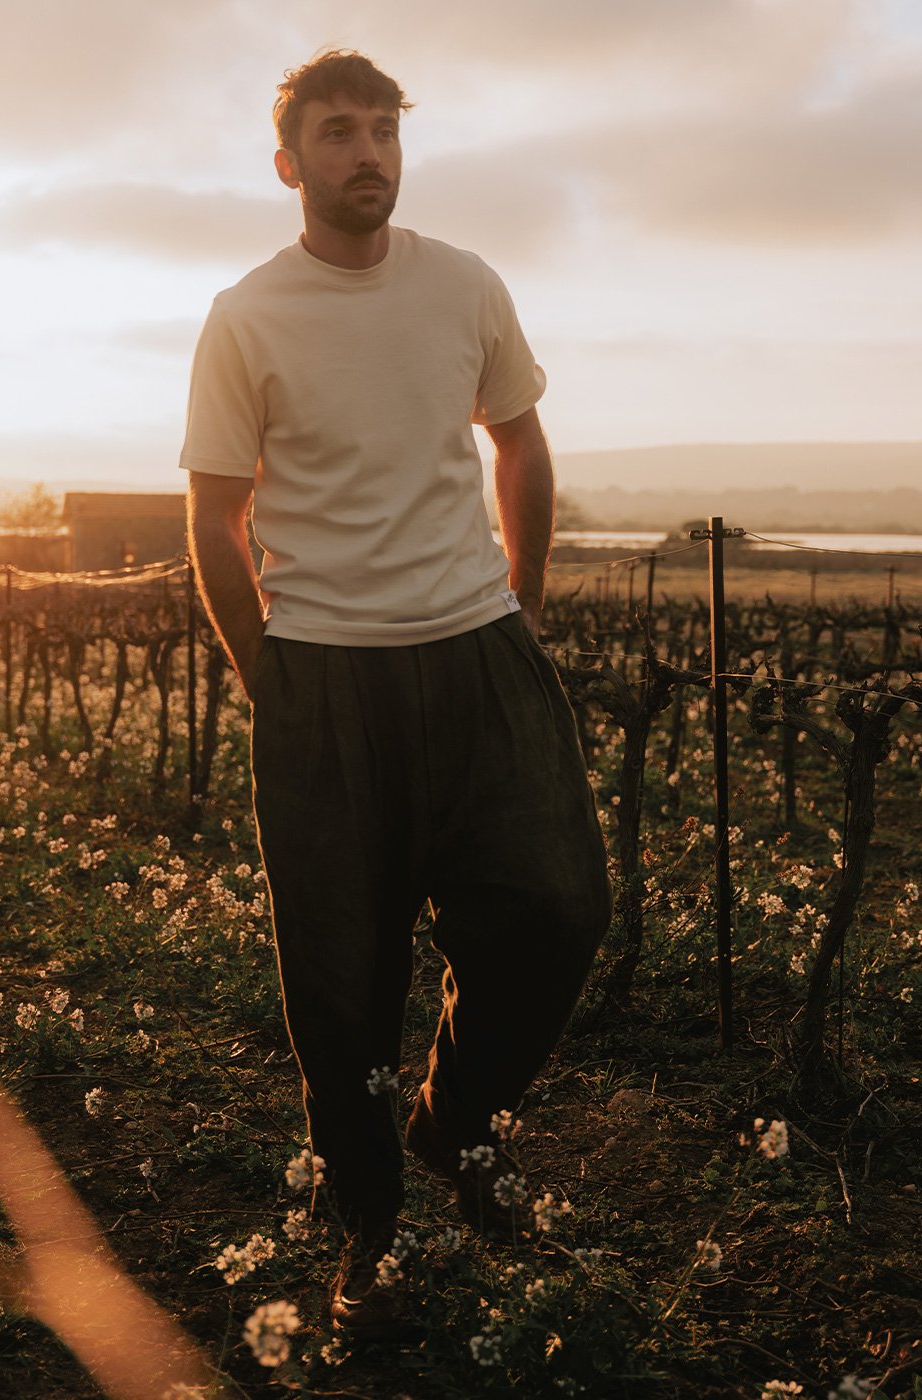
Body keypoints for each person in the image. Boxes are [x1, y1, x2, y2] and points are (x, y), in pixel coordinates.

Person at [181, 49, 611, 1338]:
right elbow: (211, 512)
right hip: (325, 677)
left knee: (556, 910)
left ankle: (458, 1124)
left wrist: (521, 603)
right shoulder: (247, 315)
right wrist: (270, 673)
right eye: (336, 134)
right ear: (289, 164)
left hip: (478, 653)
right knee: (339, 981)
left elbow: (517, 435)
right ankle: (367, 1227)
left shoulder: (465, 284)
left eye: (382, 130)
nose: (366, 152)